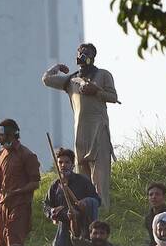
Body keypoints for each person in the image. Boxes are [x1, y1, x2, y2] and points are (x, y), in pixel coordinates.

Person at [43, 43, 119, 210]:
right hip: (80, 133)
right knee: (81, 176)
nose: (82, 55)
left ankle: (102, 211)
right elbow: (46, 79)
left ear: (93, 56)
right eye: (80, 52)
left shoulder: (103, 75)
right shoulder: (71, 80)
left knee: (100, 177)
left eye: (86, 52)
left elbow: (113, 97)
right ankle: (83, 212)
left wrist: (96, 91)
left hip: (98, 131)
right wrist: (56, 67)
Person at [44, 147, 100, 246]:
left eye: (67, 162)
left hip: (82, 227)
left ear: (72, 164)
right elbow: (46, 206)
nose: (63, 165)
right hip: (64, 226)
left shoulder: (83, 182)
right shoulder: (55, 186)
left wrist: (84, 204)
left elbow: (96, 200)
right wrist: (53, 212)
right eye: (60, 162)